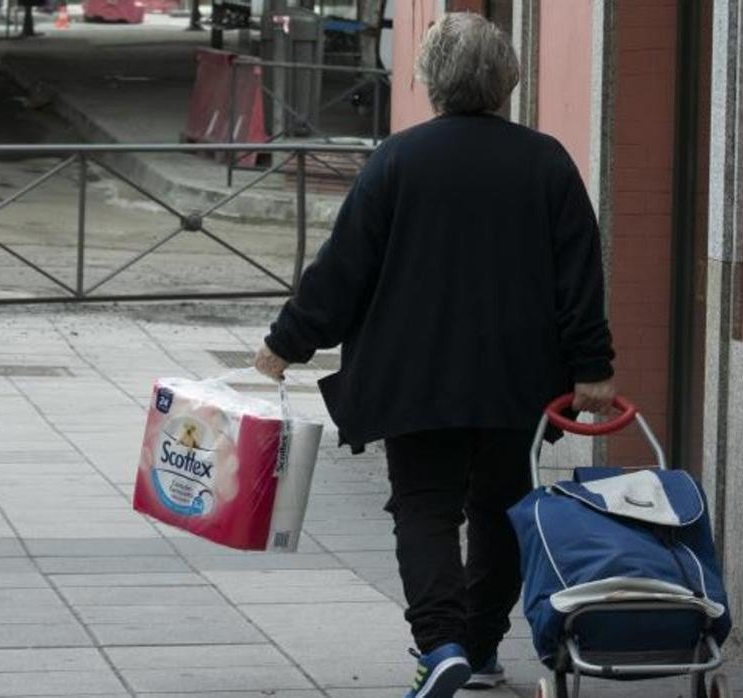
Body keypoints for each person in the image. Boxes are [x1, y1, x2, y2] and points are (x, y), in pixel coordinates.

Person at [255, 12, 616, 698]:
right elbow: (581, 275)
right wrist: (592, 365)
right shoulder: (546, 161)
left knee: (424, 508)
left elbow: (342, 270)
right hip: (519, 377)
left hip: (414, 376)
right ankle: (479, 647)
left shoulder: (398, 158)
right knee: (503, 506)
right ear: (507, 80)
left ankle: (442, 643)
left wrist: (286, 342)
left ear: (429, 80)